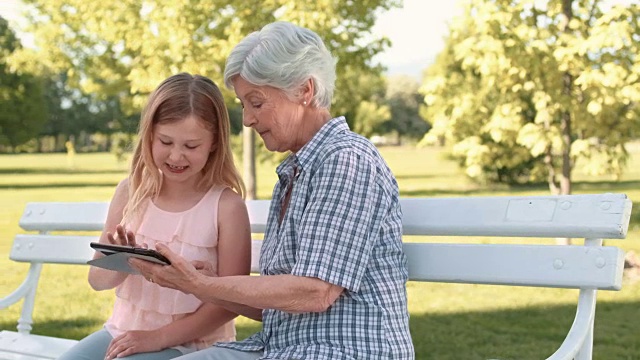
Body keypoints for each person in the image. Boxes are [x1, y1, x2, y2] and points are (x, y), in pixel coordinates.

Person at [131, 21, 415, 360]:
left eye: (257, 102)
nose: (248, 120)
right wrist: (206, 283)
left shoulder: (346, 161)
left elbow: (315, 291)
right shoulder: (296, 172)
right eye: (243, 104)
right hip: (282, 348)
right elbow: (281, 308)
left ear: (305, 91)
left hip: (343, 352)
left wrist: (202, 286)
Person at [57, 73, 252, 360]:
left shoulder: (227, 207)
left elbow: (229, 303)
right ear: (149, 135)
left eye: (191, 146)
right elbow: (97, 281)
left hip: (193, 344)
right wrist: (123, 259)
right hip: (122, 332)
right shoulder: (130, 192)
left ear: (214, 143)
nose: (176, 156)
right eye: (165, 141)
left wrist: (157, 338)